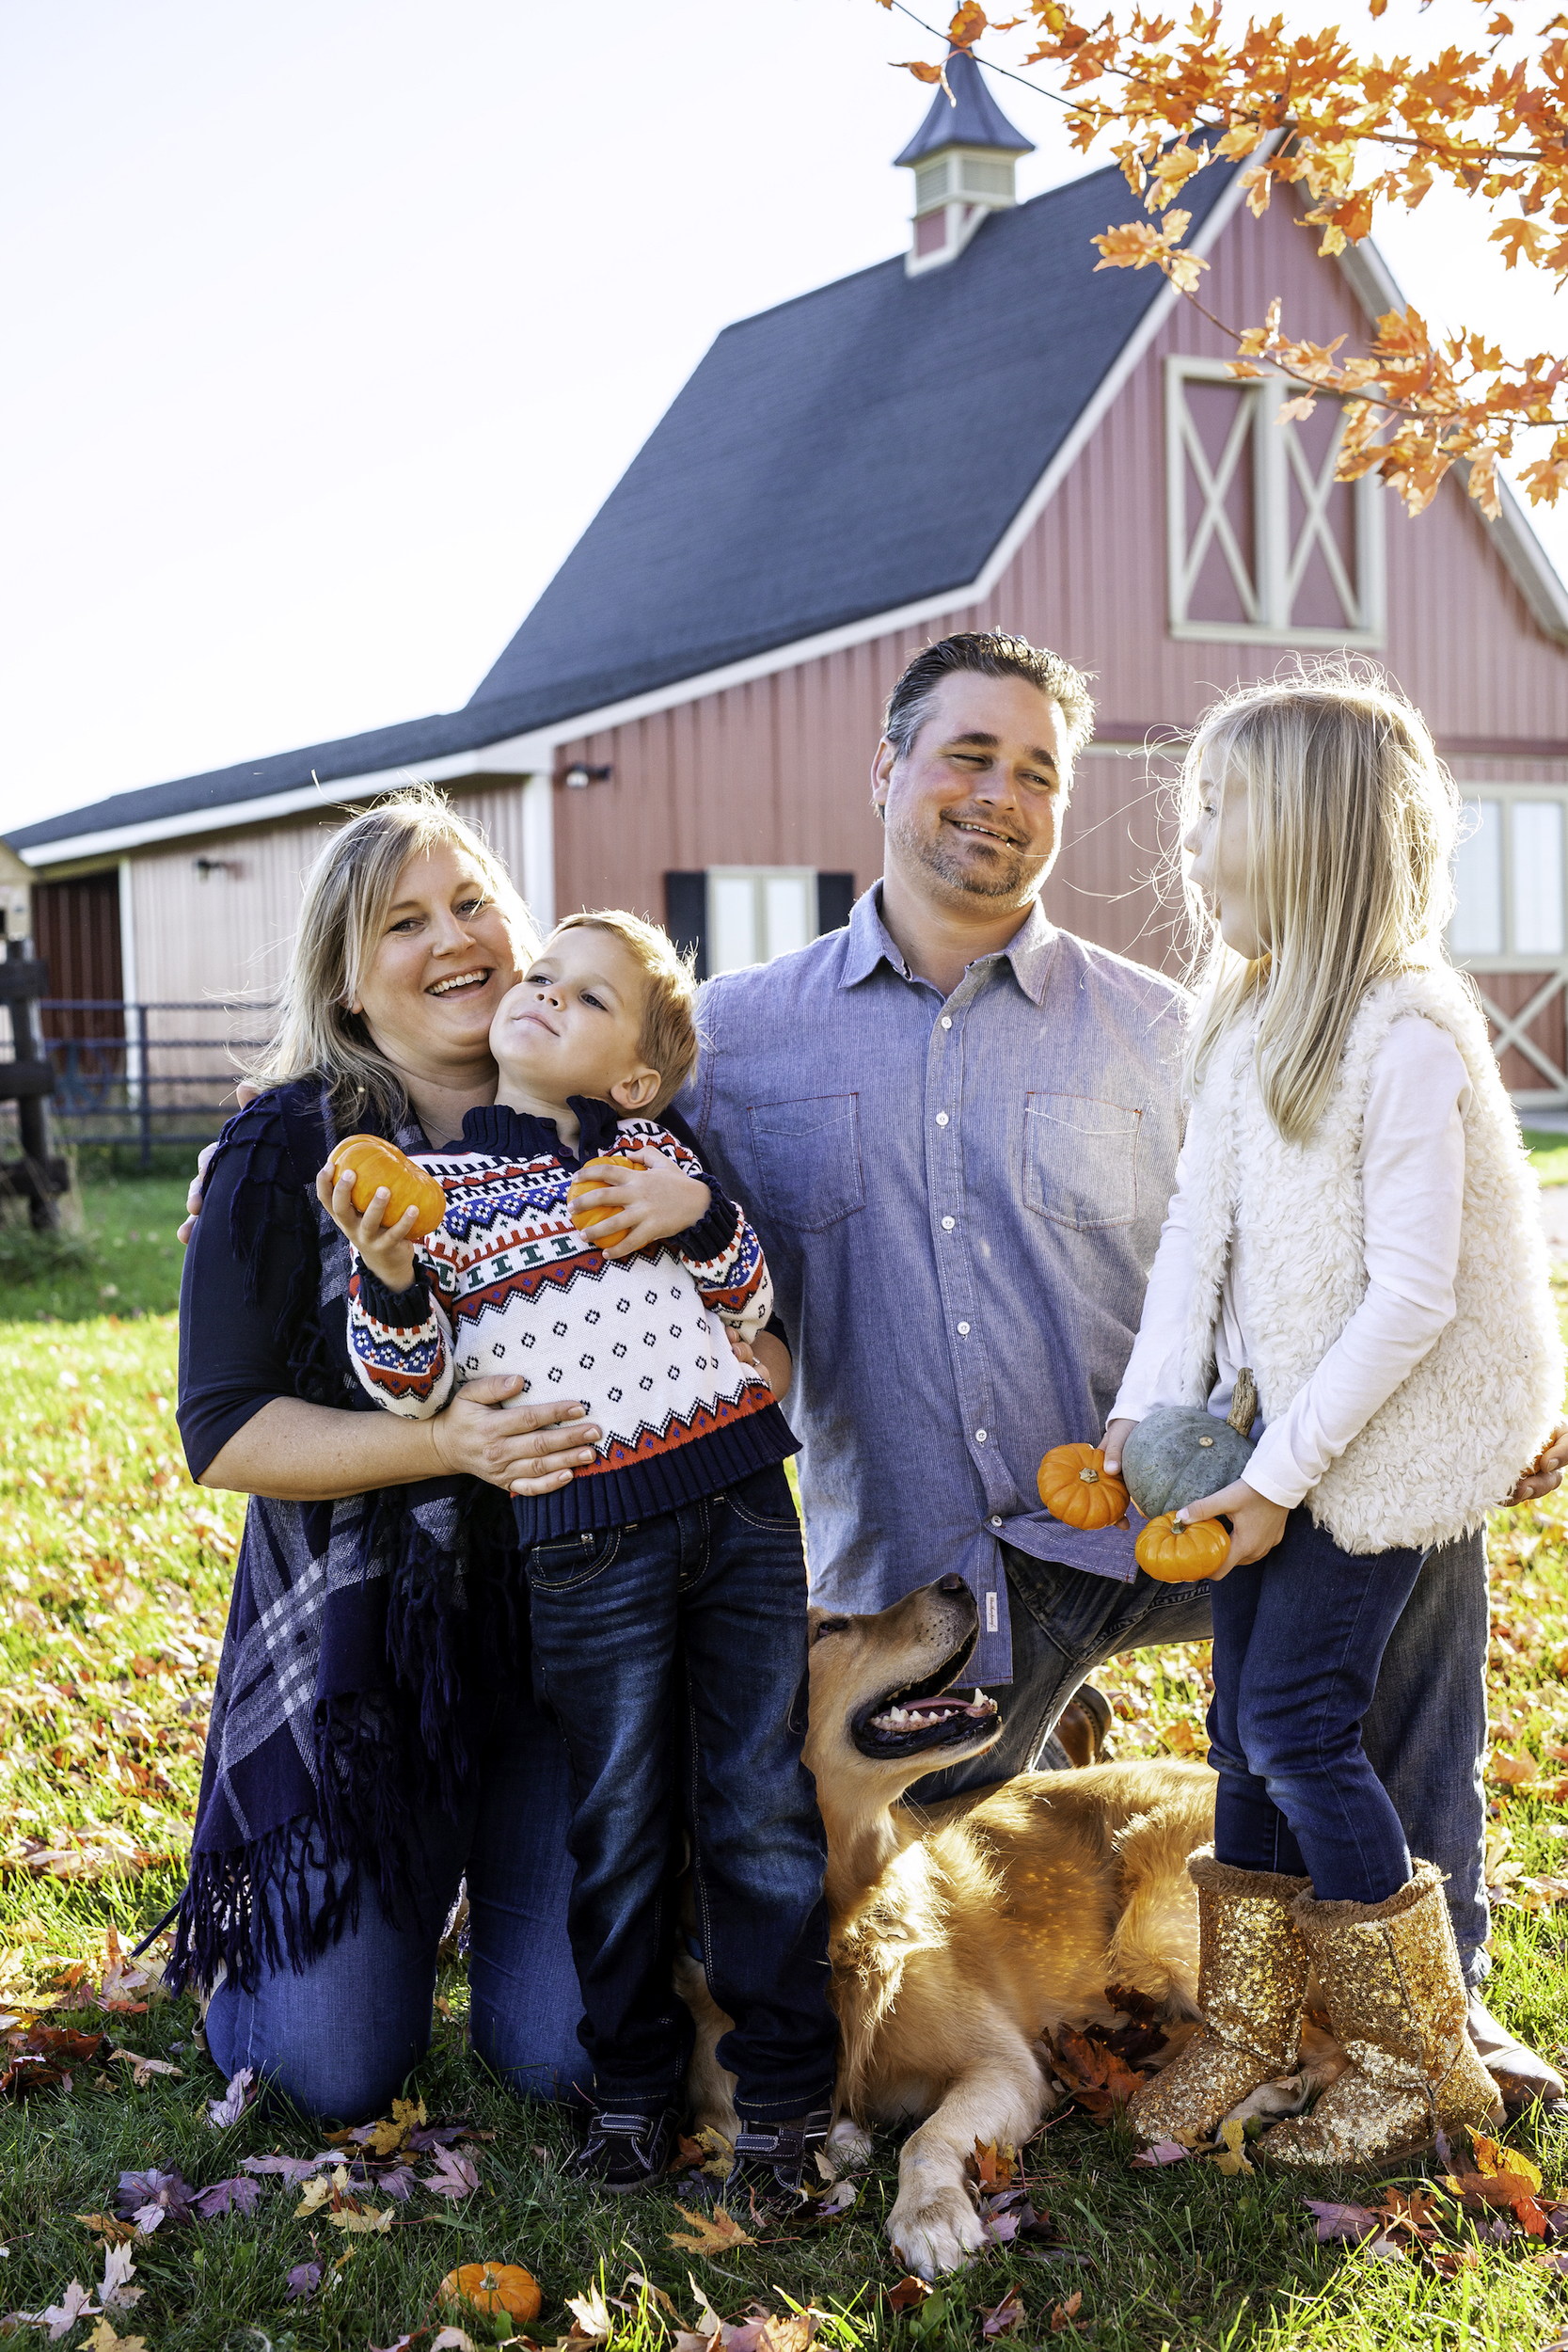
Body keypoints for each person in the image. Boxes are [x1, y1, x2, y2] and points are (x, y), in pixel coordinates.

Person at [678, 628, 1568, 2107]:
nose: (1002, 795)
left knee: (1419, 1550)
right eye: (968, 754)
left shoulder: (1174, 1025)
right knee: (879, 1863)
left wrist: (1482, 1426)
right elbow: (562, 1135)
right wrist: (317, 1175)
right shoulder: (734, 1043)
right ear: (886, 768)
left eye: (1040, 771)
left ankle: (1436, 2002)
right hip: (951, 1582)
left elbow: (1365, 1257)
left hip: (1178, 1516)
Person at [1111, 671, 1561, 2165]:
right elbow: (1197, 1239)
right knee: (1242, 1730)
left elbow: (1417, 1297)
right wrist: (1145, 1423)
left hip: (1379, 1449)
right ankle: (1246, 2027)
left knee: (1301, 1727)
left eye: (1219, 809)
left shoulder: (1406, 1034)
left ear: (1305, 831)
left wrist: (1277, 1484)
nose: (1194, 842)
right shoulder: (1240, 1023)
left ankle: (1413, 2051)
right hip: (1278, 1449)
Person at [321, 909, 836, 2198]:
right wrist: (386, 1276)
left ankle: (783, 2090)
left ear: (636, 1080)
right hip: (586, 1542)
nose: (545, 991)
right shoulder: (438, 1194)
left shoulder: (658, 1155)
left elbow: (751, 1304)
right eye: (542, 974)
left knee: (758, 1802)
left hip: (738, 1507)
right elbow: (407, 1379)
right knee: (615, 1818)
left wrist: (701, 1208)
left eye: (589, 996)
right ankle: (630, 2088)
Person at [172, 790, 628, 2120]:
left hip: (571, 1648)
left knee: (559, 2062)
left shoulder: (600, 1128)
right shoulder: (284, 1143)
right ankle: (270, 1947)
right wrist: (442, 1443)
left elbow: (737, 1336)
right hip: (366, 1675)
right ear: (348, 983)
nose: (454, 941)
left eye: (474, 904)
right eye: (404, 922)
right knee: (326, 2074)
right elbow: (226, 1432)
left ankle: (506, 1898)